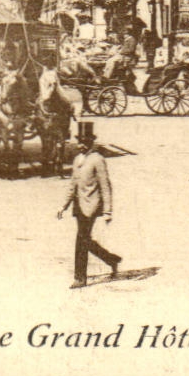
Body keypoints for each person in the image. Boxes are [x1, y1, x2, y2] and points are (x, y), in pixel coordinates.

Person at [59, 121, 120, 287]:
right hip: (78, 205)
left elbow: (106, 186)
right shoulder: (78, 159)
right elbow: (72, 184)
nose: (79, 145)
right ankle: (111, 259)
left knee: (81, 239)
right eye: (78, 141)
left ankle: (80, 278)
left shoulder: (98, 159)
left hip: (92, 205)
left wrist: (108, 211)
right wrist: (63, 206)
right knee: (85, 240)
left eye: (83, 142)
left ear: (90, 142)